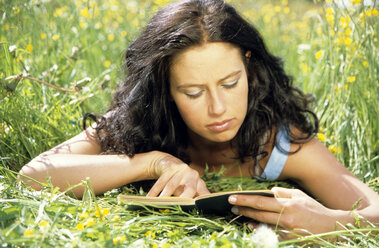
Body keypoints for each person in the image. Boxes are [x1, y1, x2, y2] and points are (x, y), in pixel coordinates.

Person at [19, 0, 378, 238]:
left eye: (230, 83)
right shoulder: (140, 122)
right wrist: (152, 163)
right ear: (165, 91)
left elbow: (373, 211)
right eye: (193, 92)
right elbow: (33, 177)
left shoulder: (280, 142)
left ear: (250, 67)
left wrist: (329, 223)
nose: (219, 108)